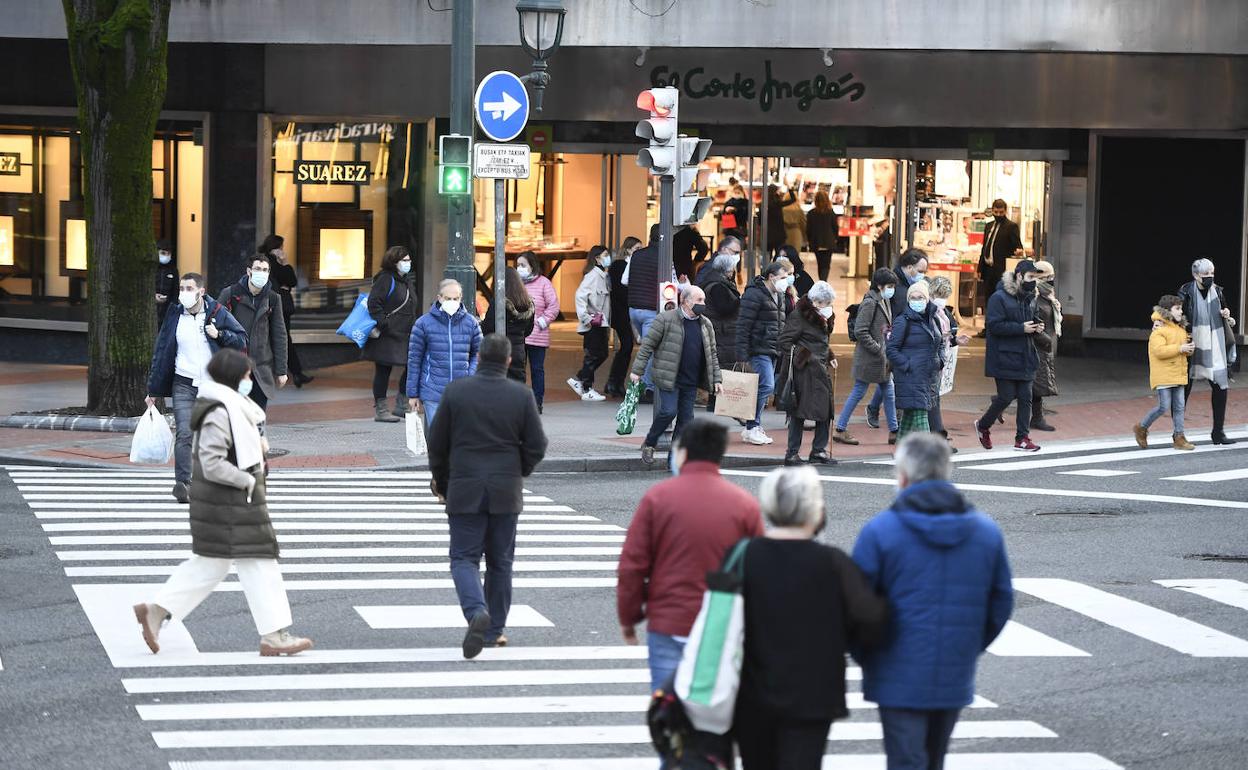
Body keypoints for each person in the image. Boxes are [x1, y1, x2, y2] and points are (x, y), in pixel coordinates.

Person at [133, 348, 313, 657]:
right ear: (233, 377)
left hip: (225, 503)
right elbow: (213, 462)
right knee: (259, 563)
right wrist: (247, 480)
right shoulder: (220, 410)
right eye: (245, 375)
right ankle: (275, 636)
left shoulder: (232, 405)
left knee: (211, 565)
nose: (249, 380)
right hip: (230, 502)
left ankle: (157, 611)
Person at [852, 433, 1013, 770]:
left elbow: (856, 608)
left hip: (893, 670)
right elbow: (1000, 602)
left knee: (905, 760)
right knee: (934, 759)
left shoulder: (880, 531)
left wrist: (869, 656)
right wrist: (968, 644)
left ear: (903, 476)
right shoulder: (985, 532)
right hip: (954, 667)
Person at [734, 466, 888, 770]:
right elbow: (870, 619)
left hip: (751, 692)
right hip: (813, 695)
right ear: (814, 510)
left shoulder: (743, 556)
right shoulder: (833, 563)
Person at [617, 418, 763, 694]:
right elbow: (761, 574)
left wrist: (629, 617)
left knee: (670, 715)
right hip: (722, 628)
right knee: (715, 714)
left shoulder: (658, 498)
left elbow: (632, 566)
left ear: (682, 452)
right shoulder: (744, 505)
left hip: (669, 622)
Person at [427, 334, 547, 658]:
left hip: (464, 487)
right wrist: (518, 469)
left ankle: (475, 610)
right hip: (506, 490)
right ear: (509, 361)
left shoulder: (456, 392)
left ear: (478, 357)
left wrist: (442, 480)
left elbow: (437, 444)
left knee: (464, 558)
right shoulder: (521, 395)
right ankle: (494, 630)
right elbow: (537, 444)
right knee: (500, 562)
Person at [145, 273, 247, 503]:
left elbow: (242, 339)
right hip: (184, 384)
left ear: (201, 291)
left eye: (189, 288)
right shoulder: (174, 315)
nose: (184, 292)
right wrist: (153, 390)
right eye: (182, 288)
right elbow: (161, 352)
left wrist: (219, 334)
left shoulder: (217, 313)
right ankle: (183, 483)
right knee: (184, 433)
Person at [630, 285, 723, 465]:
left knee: (686, 420)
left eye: (703, 300)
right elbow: (647, 346)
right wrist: (637, 371)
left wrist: (717, 379)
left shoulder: (706, 324)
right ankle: (650, 442)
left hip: (691, 379)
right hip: (668, 376)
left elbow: (712, 354)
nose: (703, 304)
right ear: (685, 301)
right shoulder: (665, 319)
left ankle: (674, 460)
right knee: (668, 411)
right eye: (699, 300)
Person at [974, 260, 1045, 452]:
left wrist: (1038, 327)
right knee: (1006, 396)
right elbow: (994, 326)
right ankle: (983, 425)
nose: (1033, 282)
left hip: (1026, 354)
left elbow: (1035, 317)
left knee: (1026, 397)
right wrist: (1021, 328)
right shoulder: (999, 297)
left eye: (1035, 278)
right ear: (1019, 275)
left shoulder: (1032, 297)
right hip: (1004, 356)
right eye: (1030, 277)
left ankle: (1022, 438)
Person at [776, 281, 839, 466]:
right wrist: (806, 357)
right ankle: (792, 453)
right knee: (798, 412)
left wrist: (829, 355)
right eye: (825, 303)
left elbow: (819, 341)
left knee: (825, 410)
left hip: (819, 369)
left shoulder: (822, 316)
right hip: (803, 372)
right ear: (816, 302)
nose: (828, 307)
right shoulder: (799, 315)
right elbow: (785, 342)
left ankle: (818, 450)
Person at [835, 268, 900, 446]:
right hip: (870, 358)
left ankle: (894, 431)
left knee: (888, 391)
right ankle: (840, 428)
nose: (892, 289)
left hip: (881, 358)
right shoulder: (871, 302)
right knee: (859, 391)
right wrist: (878, 348)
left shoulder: (883, 300)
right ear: (879, 285)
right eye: (889, 286)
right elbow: (860, 331)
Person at [217, 255, 288, 412]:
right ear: (249, 271)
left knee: (257, 419)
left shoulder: (273, 298)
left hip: (261, 369)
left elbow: (279, 334)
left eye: (265, 270)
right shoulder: (230, 294)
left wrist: (281, 370)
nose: (261, 273)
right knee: (235, 417)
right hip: (234, 367)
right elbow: (215, 328)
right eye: (257, 269)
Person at [407, 278, 481, 428]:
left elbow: (479, 353)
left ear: (461, 298)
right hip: (433, 391)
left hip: (463, 390)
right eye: (448, 298)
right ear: (439, 298)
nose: (452, 301)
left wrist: (470, 373)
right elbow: (414, 360)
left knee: (459, 437)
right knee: (438, 437)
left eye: (456, 298)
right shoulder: (423, 324)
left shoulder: (471, 323)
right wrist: (412, 394)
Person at [1179, 258, 1238, 445]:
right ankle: (1178, 433)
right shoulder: (1185, 291)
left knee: (1220, 387)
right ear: (1196, 275)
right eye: (1206, 275)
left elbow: (1225, 314)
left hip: (1215, 346)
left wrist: (1227, 314)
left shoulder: (1218, 292)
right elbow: (1178, 317)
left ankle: (1218, 432)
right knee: (1183, 389)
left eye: (1212, 274)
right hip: (1192, 345)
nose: (1209, 278)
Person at [736, 260, 791, 446]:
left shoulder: (780, 295)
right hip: (758, 348)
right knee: (766, 386)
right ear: (771, 276)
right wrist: (742, 355)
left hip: (773, 348)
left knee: (764, 386)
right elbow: (743, 325)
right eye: (783, 277)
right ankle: (752, 426)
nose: (787, 280)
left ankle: (753, 426)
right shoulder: (754, 294)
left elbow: (780, 322)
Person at [363, 247, 419, 423]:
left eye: (409, 260)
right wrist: (384, 324)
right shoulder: (385, 279)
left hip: (406, 332)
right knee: (383, 370)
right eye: (404, 260)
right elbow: (374, 303)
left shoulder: (406, 281)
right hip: (387, 334)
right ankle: (381, 409)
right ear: (393, 262)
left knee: (411, 365)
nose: (407, 264)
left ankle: (401, 404)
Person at [1135, 294, 1196, 451]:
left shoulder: (1180, 329)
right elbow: (1159, 351)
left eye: (1181, 308)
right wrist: (1180, 348)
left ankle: (1179, 437)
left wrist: (1188, 349)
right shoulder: (1159, 329)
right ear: (1168, 311)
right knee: (1163, 406)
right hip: (1164, 374)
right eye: (1177, 308)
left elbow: (1183, 350)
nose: (1181, 311)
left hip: (1178, 373)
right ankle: (1142, 428)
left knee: (1179, 407)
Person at [886, 279, 942, 442]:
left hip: (927, 375)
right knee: (920, 413)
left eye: (920, 297)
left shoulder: (932, 318)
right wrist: (907, 365)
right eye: (913, 298)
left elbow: (939, 342)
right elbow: (891, 349)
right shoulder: (903, 320)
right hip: (911, 376)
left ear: (927, 298)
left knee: (911, 414)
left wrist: (940, 361)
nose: (917, 301)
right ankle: (927, 454)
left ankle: (901, 448)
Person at [696, 238, 744, 407]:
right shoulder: (718, 285)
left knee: (718, 366)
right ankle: (716, 403)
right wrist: (741, 301)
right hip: (721, 331)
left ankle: (715, 402)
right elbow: (725, 308)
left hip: (720, 330)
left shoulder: (717, 281)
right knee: (721, 367)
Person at [261, 234, 312, 388]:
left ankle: (295, 372)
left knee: (280, 338)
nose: (283, 251)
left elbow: (290, 282)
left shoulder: (267, 262)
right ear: (275, 248)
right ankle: (294, 373)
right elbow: (291, 280)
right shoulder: (270, 263)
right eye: (281, 248)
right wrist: (284, 263)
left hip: (272, 305)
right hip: (277, 306)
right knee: (281, 338)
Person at [926, 276, 969, 449]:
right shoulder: (927, 311)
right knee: (930, 402)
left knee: (930, 401)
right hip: (928, 363)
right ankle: (937, 439)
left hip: (936, 362)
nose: (942, 299)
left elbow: (946, 336)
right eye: (939, 294)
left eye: (945, 295)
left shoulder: (942, 312)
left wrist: (955, 340)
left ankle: (933, 439)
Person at [568, 245, 612, 402]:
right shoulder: (593, 275)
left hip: (601, 322)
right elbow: (580, 295)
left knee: (601, 353)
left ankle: (580, 379)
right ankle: (586, 388)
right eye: (605, 255)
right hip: (594, 322)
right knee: (593, 354)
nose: (608, 257)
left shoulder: (602, 275)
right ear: (597, 258)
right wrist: (586, 317)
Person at [626, 225, 665, 398]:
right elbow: (669, 283)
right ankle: (645, 388)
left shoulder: (636, 255)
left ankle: (642, 384)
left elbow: (625, 279)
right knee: (650, 351)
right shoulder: (664, 257)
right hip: (651, 309)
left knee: (645, 347)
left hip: (634, 309)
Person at [517, 251, 559, 413]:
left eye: (523, 265)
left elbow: (553, 306)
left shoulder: (544, 283)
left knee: (537, 370)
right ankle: (519, 402)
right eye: (518, 265)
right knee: (518, 370)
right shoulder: (515, 283)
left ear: (532, 265)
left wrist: (542, 321)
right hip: (519, 335)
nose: (520, 268)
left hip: (538, 335)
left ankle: (537, 402)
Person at [481, 265, 536, 383]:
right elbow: (529, 330)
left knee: (500, 385)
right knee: (517, 385)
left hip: (499, 350)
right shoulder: (528, 303)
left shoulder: (499, 303)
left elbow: (487, 328)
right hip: (519, 351)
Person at [976, 199, 1025, 326]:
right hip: (988, 268)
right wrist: (980, 269)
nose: (998, 215)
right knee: (987, 298)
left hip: (1002, 270)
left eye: (1001, 212)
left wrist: (1019, 252)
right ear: (992, 211)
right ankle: (987, 327)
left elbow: (1017, 247)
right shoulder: (988, 226)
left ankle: (997, 325)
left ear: (1005, 211)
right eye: (996, 212)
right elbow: (985, 247)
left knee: (1000, 298)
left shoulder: (1011, 227)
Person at [606, 237, 643, 397]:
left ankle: (614, 382)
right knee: (627, 345)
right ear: (628, 249)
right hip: (620, 311)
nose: (638, 251)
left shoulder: (630, 265)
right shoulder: (619, 265)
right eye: (636, 248)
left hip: (626, 310)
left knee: (627, 346)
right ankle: (615, 381)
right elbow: (620, 291)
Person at [1029, 260, 1062, 432]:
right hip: (1037, 346)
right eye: (1049, 278)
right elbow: (1033, 324)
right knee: (1037, 384)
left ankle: (999, 400)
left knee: (1035, 384)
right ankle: (1037, 418)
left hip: (1045, 346)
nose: (1051, 282)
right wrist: (1045, 339)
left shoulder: (1047, 296)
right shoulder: (1034, 297)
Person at [805, 191, 837, 282]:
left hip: (816, 242)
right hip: (828, 242)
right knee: (826, 264)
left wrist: (810, 240)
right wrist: (835, 239)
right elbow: (835, 227)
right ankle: (823, 281)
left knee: (820, 263)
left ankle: (822, 281)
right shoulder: (831, 212)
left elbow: (808, 229)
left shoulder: (811, 213)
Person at [890, 250, 929, 318]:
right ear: (909, 267)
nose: (922, 275)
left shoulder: (906, 284)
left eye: (924, 272)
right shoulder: (899, 288)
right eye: (920, 271)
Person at [154, 239, 178, 330]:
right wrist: (153, 297)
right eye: (163, 253)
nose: (166, 256)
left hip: (167, 311)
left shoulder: (173, 270)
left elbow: (175, 291)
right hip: (151, 310)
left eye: (168, 254)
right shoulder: (152, 268)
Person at [781, 191, 807, 258]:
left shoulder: (782, 210)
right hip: (796, 233)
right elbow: (803, 224)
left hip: (784, 233)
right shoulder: (799, 210)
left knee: (784, 255)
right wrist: (805, 237)